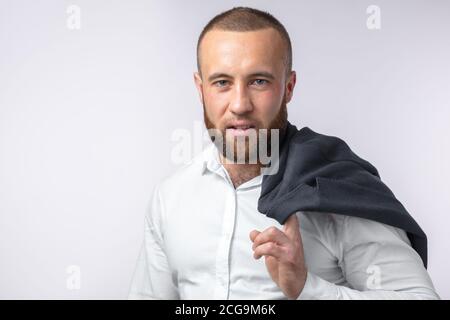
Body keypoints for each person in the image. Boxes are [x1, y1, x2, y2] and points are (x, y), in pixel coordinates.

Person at [128, 6, 439, 300]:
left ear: (288, 87)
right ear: (200, 89)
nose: (240, 104)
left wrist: (307, 288)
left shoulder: (333, 189)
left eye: (259, 81)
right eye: (222, 82)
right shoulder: (170, 198)